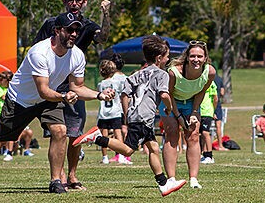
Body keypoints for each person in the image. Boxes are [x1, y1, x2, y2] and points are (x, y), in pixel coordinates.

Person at [0, 12, 115, 195]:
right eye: (70, 30)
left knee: (60, 131)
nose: (74, 34)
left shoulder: (77, 55)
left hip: (49, 99)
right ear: (57, 30)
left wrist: (99, 95)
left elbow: (77, 87)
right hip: (21, 99)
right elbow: (43, 90)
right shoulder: (39, 52)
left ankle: (56, 181)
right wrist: (63, 97)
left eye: (77, 30)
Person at [73, 35, 186, 197]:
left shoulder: (135, 75)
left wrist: (127, 114)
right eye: (167, 56)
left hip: (136, 116)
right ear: (159, 58)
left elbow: (124, 95)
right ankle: (97, 137)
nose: (168, 59)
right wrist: (168, 109)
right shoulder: (162, 74)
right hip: (144, 118)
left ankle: (164, 184)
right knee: (127, 151)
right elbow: (164, 95)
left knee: (153, 148)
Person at [34, 0, 111, 190]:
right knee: (58, 132)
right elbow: (36, 49)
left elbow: (102, 38)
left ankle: (73, 176)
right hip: (53, 85)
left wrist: (106, 15)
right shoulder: (52, 23)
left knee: (75, 132)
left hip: (75, 84)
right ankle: (58, 178)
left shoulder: (88, 26)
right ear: (64, 1)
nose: (74, 3)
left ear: (84, 2)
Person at [159, 40, 216, 189]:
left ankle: (194, 179)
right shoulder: (174, 71)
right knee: (172, 133)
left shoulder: (210, 72)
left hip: (191, 101)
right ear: (187, 57)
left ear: (205, 58)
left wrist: (195, 111)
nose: (196, 60)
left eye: (199, 56)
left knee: (193, 135)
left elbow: (202, 91)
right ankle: (171, 179)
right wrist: (178, 116)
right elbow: (169, 93)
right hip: (171, 102)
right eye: (192, 56)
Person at [96, 60, 130, 165]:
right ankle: (121, 155)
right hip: (115, 112)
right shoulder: (116, 83)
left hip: (103, 113)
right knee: (118, 134)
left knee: (104, 135)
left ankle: (105, 157)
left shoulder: (100, 84)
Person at [199, 82, 218, 164]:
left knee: (205, 133)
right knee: (198, 134)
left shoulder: (211, 83)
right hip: (197, 111)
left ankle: (209, 156)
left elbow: (215, 99)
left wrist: (213, 111)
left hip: (206, 112)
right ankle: (201, 154)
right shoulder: (198, 80)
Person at [213, 72, 227, 151]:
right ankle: (220, 145)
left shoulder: (204, 77)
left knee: (204, 128)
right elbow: (222, 92)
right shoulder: (219, 79)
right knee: (218, 126)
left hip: (206, 104)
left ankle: (203, 147)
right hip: (217, 104)